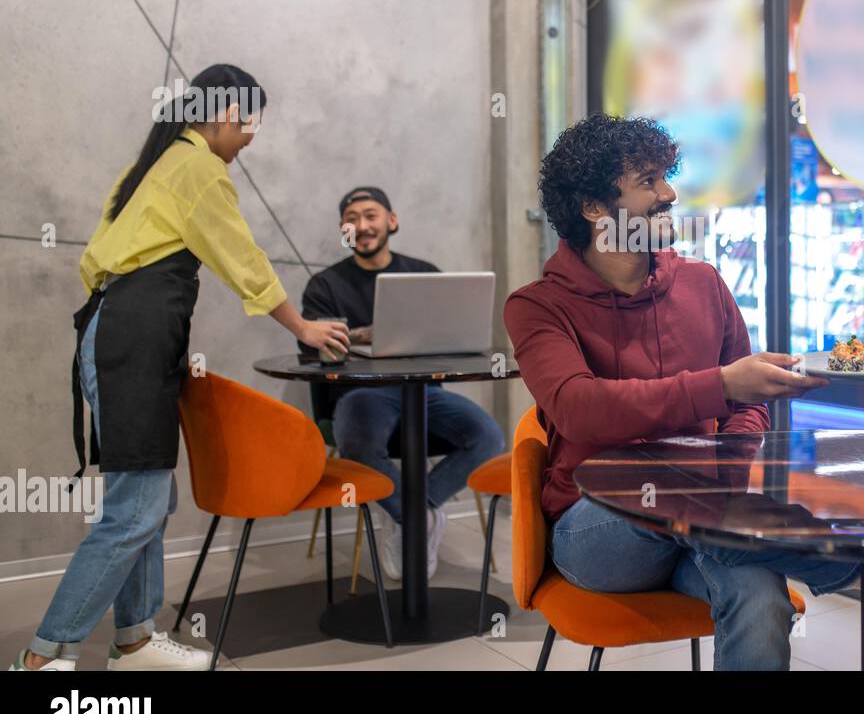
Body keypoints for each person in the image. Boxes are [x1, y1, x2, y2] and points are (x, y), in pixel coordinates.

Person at [505, 115, 864, 670]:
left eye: (665, 177)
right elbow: (580, 411)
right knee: (678, 497)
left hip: (709, 520)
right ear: (592, 208)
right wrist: (721, 386)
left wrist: (730, 452)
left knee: (760, 598)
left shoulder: (703, 285)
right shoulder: (538, 306)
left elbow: (746, 406)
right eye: (649, 181)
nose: (669, 193)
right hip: (598, 529)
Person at [13, 65, 349, 672]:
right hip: (134, 335)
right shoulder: (197, 167)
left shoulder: (152, 164)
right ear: (224, 114)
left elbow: (101, 263)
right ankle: (42, 656)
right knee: (135, 508)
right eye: (250, 122)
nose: (251, 137)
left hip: (118, 330)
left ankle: (135, 640)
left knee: (150, 495)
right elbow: (240, 257)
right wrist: (301, 327)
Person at [300, 187, 504, 583]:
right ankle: (417, 517)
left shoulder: (425, 275)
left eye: (371, 215)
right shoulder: (324, 286)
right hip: (359, 395)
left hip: (425, 393)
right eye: (353, 218)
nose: (362, 225)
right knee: (358, 443)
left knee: (488, 437)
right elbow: (311, 348)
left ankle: (409, 515)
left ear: (391, 221)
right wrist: (365, 335)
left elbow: (453, 336)